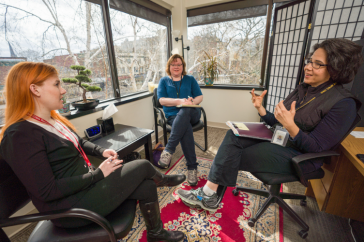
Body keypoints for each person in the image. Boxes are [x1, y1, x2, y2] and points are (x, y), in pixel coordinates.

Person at [0, 62, 186, 242]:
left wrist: (102, 151)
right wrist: (98, 175)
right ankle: (164, 180)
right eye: (57, 84)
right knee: (143, 165)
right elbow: (47, 191)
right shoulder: (19, 135)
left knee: (147, 186)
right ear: (35, 89)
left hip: (84, 188)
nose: (63, 90)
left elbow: (78, 142)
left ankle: (156, 233)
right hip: (69, 208)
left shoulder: (51, 119)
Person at [177, 38, 362, 212]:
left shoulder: (344, 104)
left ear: (337, 69)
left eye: (317, 64)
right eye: (309, 61)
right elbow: (278, 122)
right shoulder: (303, 89)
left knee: (233, 154)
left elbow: (317, 147)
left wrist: (291, 127)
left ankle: (209, 194)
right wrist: (261, 110)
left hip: (301, 155)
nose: (308, 67)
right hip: (280, 139)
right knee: (233, 135)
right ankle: (210, 195)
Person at [157, 54, 203, 186]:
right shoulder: (164, 81)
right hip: (173, 116)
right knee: (185, 127)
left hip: (192, 113)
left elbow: (200, 96)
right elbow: (161, 100)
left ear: (183, 66)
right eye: (173, 64)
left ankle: (169, 150)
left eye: (179, 64)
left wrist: (191, 102)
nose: (176, 67)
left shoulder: (190, 79)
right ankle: (192, 167)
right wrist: (179, 101)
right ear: (169, 67)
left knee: (186, 109)